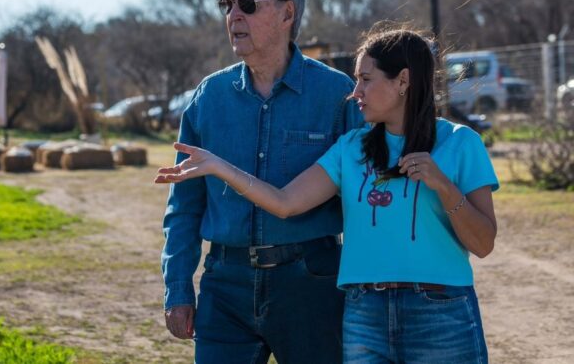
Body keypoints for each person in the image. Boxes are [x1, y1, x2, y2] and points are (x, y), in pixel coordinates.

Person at [156, 28, 498, 363]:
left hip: (440, 313)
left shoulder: (460, 143)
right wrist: (219, 166)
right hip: (366, 316)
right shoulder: (350, 149)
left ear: (403, 81)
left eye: (366, 79)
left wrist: (443, 185)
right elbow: (285, 203)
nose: (355, 92)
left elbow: (483, 244)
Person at [161, 0, 364, 364]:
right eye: (228, 5)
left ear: (287, 13)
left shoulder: (338, 96)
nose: (234, 15)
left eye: (248, 5)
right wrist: (179, 288)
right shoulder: (208, 98)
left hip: (313, 284)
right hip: (225, 285)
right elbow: (184, 207)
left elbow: (363, 204)